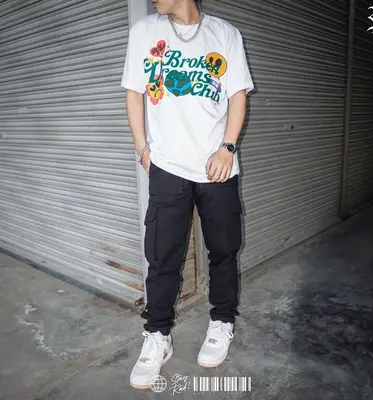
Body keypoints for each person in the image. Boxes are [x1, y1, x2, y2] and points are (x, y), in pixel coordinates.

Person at [121, 0, 253, 389]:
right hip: (167, 166)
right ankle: (157, 335)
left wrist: (227, 148)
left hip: (217, 166)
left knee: (224, 250)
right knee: (161, 256)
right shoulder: (144, 32)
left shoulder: (225, 34)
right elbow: (134, 93)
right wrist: (142, 149)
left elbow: (237, 95)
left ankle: (222, 321)